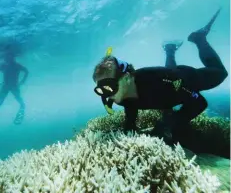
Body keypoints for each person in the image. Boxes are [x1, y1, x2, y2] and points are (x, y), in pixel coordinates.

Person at [92, 8, 228, 142]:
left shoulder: (156, 80)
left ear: (127, 78)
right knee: (168, 83)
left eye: (109, 86)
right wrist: (128, 134)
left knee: (220, 73)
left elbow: (200, 103)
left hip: (185, 78)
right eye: (100, 89)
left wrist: (167, 124)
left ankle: (199, 39)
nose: (107, 94)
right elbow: (130, 112)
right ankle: (170, 49)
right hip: (167, 86)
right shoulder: (119, 96)